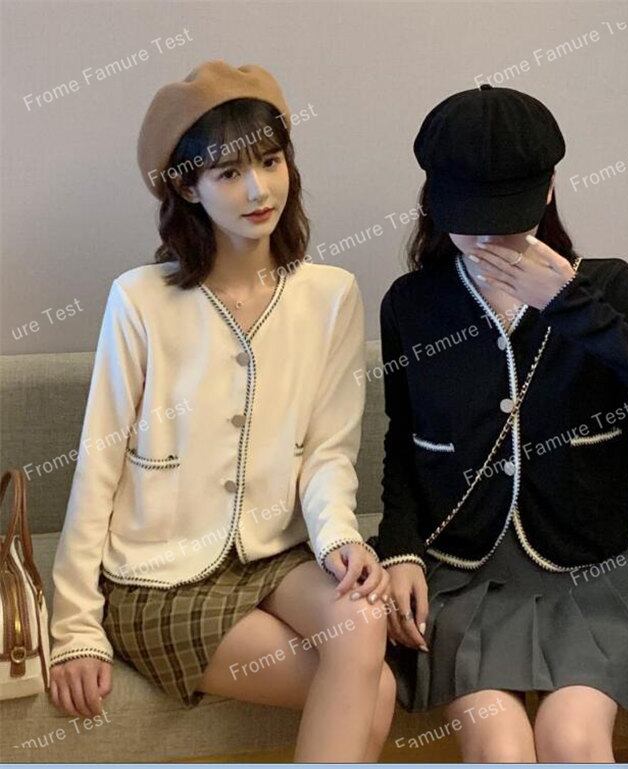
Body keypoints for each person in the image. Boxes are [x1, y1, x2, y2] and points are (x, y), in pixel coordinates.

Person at [368, 84, 628, 763]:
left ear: (548, 190)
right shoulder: (413, 304)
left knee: (573, 740)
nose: (486, 237)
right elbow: (404, 440)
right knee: (499, 747)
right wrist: (399, 550)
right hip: (461, 576)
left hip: (588, 575)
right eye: (468, 217)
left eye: (504, 216)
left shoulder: (605, 288)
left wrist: (570, 304)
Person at [48, 60, 395, 762]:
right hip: (158, 575)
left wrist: (338, 539)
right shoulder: (140, 300)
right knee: (377, 690)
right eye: (229, 172)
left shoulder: (330, 296)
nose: (258, 189)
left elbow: (328, 452)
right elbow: (99, 463)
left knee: (363, 621)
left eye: (270, 161)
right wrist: (75, 627)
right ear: (187, 186)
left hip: (276, 554)